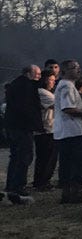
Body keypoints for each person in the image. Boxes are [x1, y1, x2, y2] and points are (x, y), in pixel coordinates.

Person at [53, 61, 82, 203]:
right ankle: (75, 191)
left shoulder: (66, 86)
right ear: (64, 71)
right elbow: (68, 108)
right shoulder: (66, 86)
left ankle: (67, 193)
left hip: (67, 130)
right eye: (74, 68)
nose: (78, 70)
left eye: (78, 67)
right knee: (81, 159)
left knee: (68, 162)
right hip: (72, 130)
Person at [4, 65, 43, 205]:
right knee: (24, 155)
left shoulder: (16, 84)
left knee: (15, 155)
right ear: (28, 73)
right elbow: (27, 107)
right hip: (22, 126)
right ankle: (18, 186)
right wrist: (36, 124)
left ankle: (11, 185)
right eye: (37, 74)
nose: (39, 76)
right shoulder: (26, 86)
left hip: (13, 125)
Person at [32, 71, 58, 191]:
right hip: (46, 129)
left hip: (49, 128)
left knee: (47, 158)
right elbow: (58, 104)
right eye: (51, 80)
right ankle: (42, 182)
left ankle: (42, 181)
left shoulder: (47, 93)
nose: (53, 82)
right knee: (46, 158)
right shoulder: (42, 93)